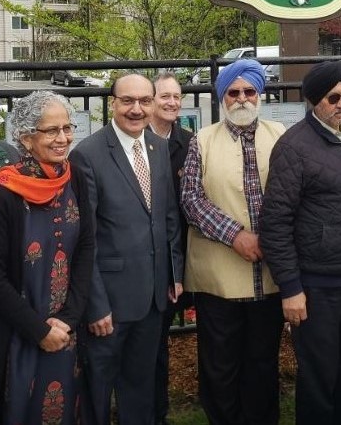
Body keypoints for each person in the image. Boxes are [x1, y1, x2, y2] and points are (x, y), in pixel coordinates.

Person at [260, 60, 341, 425]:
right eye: (335, 97)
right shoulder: (293, 147)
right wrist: (291, 287)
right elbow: (275, 222)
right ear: (315, 101)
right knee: (319, 372)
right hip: (317, 285)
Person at [69, 73, 183, 425]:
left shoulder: (159, 148)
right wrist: (96, 305)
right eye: (128, 101)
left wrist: (174, 273)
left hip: (152, 299)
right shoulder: (87, 155)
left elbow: (168, 218)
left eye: (144, 101)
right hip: (109, 306)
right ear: (113, 104)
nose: (137, 109)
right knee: (98, 391)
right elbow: (83, 238)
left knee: (141, 388)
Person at [180, 59, 286, 425]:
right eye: (233, 92)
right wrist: (235, 235)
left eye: (249, 91)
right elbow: (191, 199)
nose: (241, 98)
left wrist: (268, 238)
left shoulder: (280, 135)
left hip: (270, 274)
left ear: (260, 95)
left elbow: (293, 195)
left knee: (262, 360)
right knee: (219, 364)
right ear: (223, 97)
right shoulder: (202, 140)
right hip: (219, 275)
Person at [0, 91, 94, 425]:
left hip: (65, 332)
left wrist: (70, 318)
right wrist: (38, 329)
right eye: (50, 131)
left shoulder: (74, 177)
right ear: (26, 138)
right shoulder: (1, 193)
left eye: (67, 127)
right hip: (18, 334)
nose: (63, 138)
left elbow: (86, 247)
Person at [149, 72, 193, 425]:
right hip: (148, 256)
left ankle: (159, 410)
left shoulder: (189, 143)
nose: (172, 102)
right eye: (165, 96)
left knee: (162, 339)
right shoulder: (135, 140)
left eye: (177, 96)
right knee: (147, 343)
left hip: (182, 254)